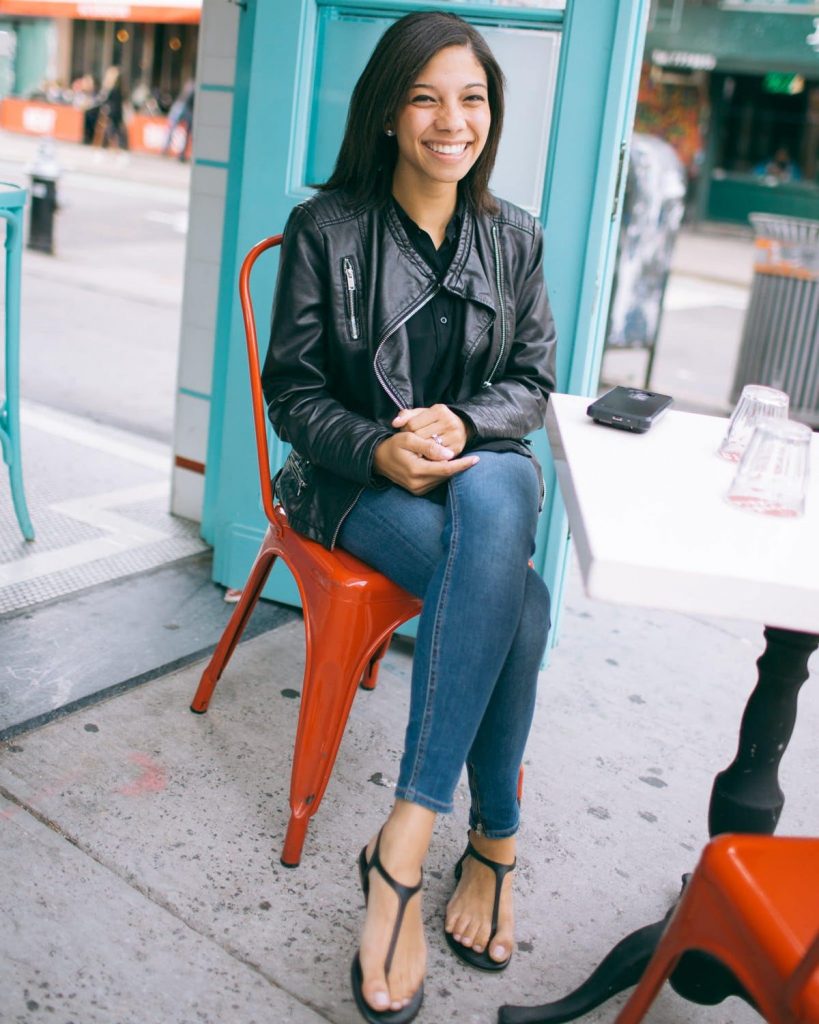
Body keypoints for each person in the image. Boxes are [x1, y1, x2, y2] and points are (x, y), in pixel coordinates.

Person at [262, 11, 556, 1023]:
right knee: (522, 596)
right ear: (390, 112)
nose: (451, 119)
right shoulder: (326, 229)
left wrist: (463, 422)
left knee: (496, 482)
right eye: (427, 96)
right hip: (350, 489)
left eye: (471, 98)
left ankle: (405, 837)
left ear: (492, 115)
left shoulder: (516, 237)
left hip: (474, 480)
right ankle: (490, 843)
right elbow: (291, 394)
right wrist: (379, 446)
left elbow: (533, 382)